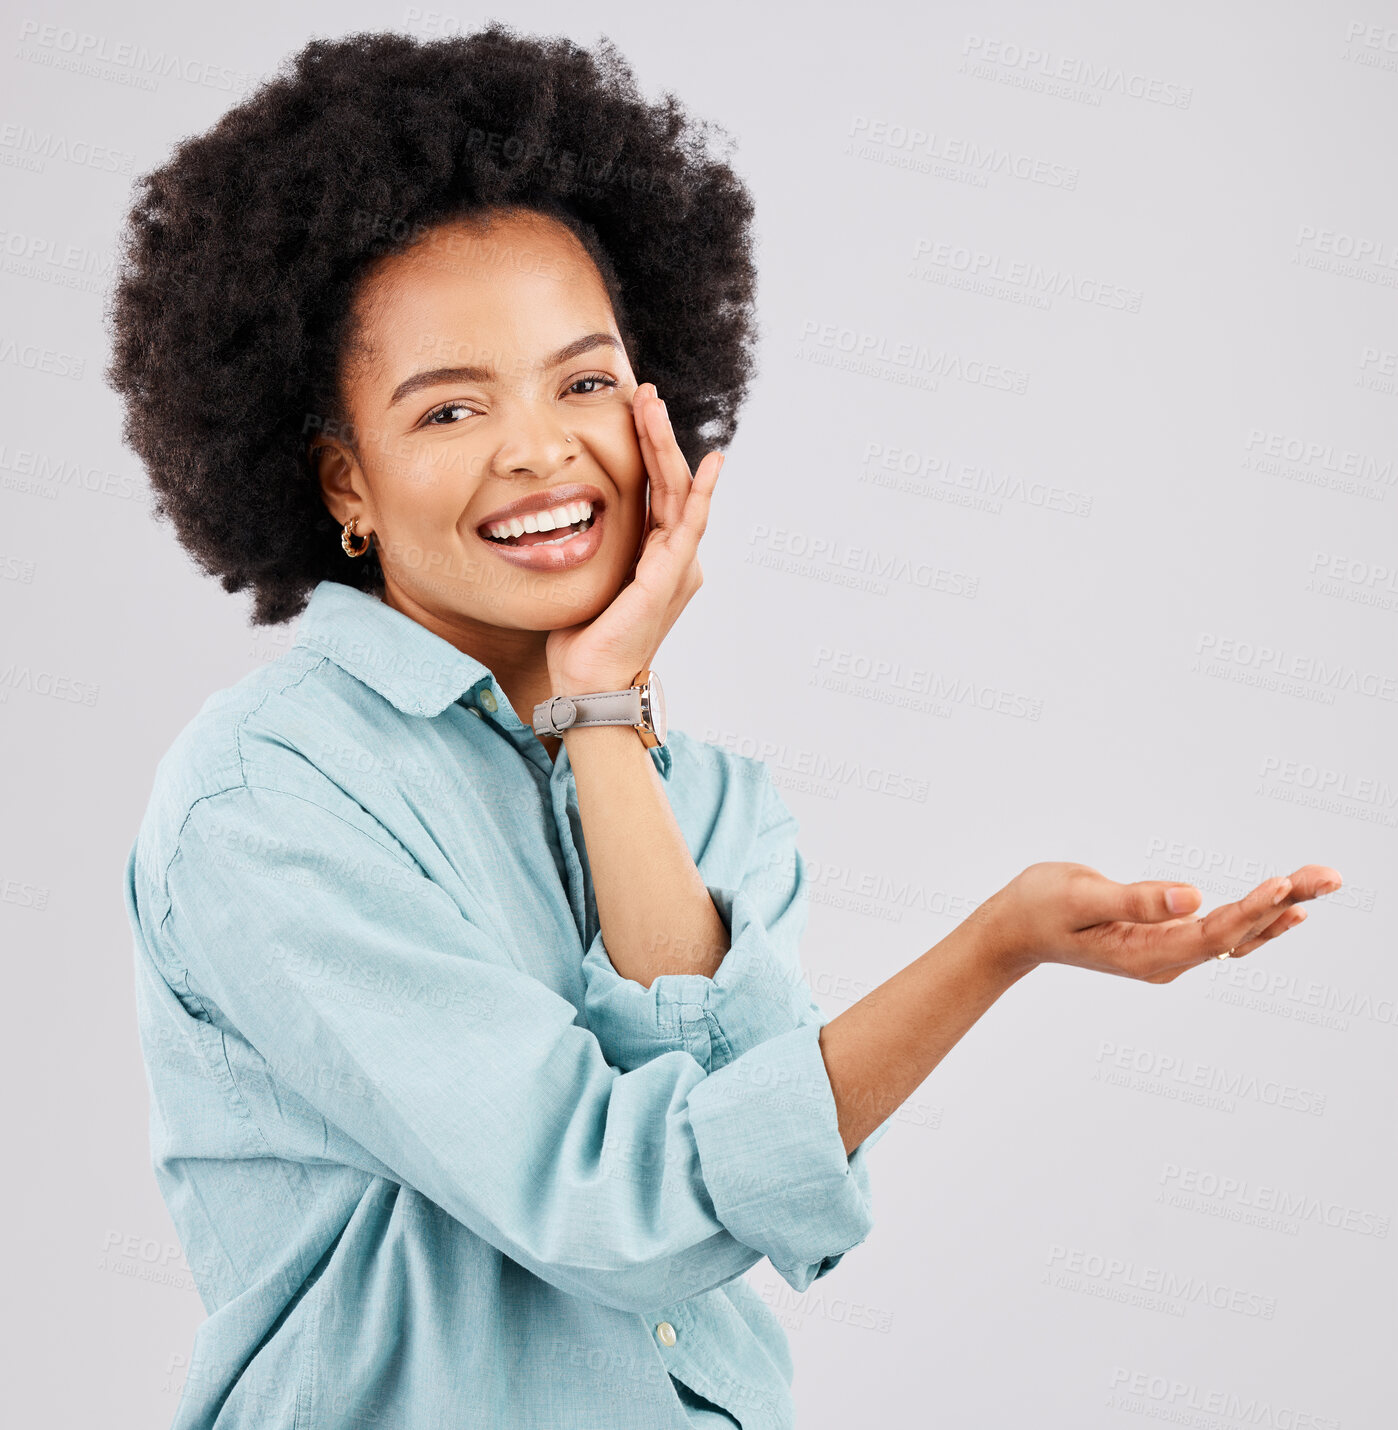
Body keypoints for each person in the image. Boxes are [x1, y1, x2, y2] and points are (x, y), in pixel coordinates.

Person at [106, 25, 1343, 1430]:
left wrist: (602, 718)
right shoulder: (268, 799)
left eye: (580, 381)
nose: (537, 449)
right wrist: (994, 946)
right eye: (449, 408)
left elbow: (790, 1199)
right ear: (346, 484)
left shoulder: (708, 799)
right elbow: (628, 1210)